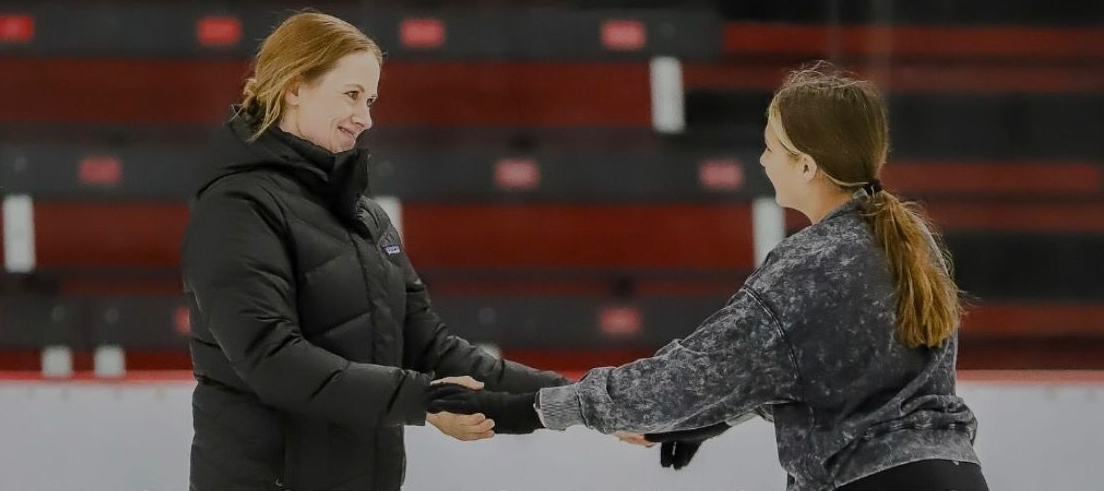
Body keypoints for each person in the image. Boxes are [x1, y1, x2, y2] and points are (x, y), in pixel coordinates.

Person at [428, 63, 990, 491]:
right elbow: (824, 375)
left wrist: (533, 410)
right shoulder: (912, 240)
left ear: (806, 166)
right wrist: (707, 422)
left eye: (771, 147)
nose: (763, 161)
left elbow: (690, 375)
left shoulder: (810, 265)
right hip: (957, 475)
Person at [181, 12, 569, 491]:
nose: (365, 118)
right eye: (351, 95)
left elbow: (430, 348)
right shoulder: (237, 207)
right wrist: (422, 399)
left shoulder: (365, 217)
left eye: (370, 100)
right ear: (295, 87)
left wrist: (583, 401)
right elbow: (272, 360)